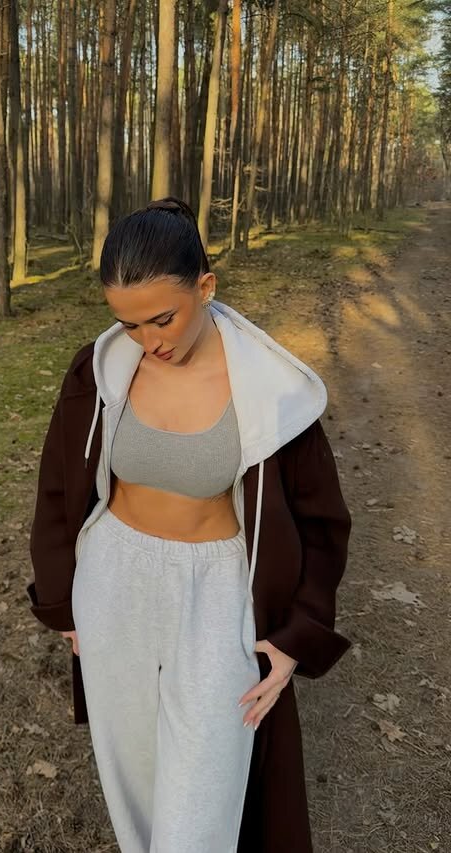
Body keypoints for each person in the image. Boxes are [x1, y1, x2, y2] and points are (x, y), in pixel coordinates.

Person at [27, 197, 353, 853]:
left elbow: (323, 524)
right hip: (113, 586)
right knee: (135, 788)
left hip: (216, 599)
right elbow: (59, 487)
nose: (150, 341)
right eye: (128, 323)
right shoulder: (97, 371)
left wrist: (298, 634)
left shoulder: (271, 391)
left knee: (200, 809)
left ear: (205, 286)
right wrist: (64, 603)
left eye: (163, 318)